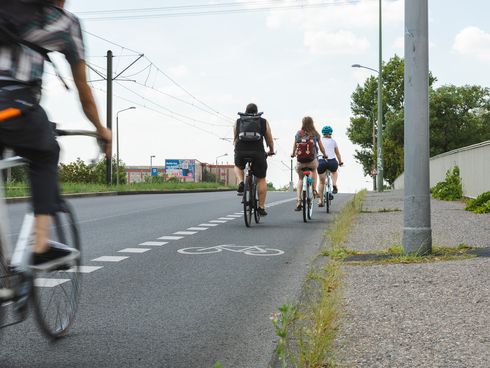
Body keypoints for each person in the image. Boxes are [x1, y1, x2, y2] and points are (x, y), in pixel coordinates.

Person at [0, 0, 112, 266]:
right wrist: (101, 129)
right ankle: (40, 246)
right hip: (12, 107)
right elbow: (84, 92)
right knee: (46, 152)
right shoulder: (64, 23)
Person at [233, 103, 274, 216]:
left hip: (241, 150)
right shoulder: (263, 121)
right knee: (261, 178)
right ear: (257, 112)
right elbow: (269, 138)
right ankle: (261, 207)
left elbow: (235, 138)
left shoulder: (238, 121)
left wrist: (237, 149)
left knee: (237, 166)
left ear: (245, 111)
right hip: (258, 152)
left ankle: (241, 182)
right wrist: (271, 150)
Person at [291, 116, 327, 211]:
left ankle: (299, 201)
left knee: (300, 179)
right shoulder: (315, 134)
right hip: (312, 160)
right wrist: (325, 154)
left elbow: (295, 145)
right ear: (312, 123)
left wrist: (292, 153)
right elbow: (321, 147)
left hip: (301, 161)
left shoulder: (299, 133)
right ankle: (314, 190)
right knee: (314, 170)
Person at [317, 125, 343, 206]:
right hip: (332, 161)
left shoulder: (319, 141)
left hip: (321, 161)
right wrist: (340, 162)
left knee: (321, 182)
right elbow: (337, 153)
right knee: (334, 172)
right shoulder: (333, 141)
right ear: (330, 133)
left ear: (323, 133)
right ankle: (334, 184)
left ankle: (320, 201)